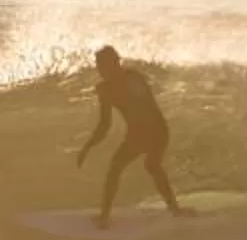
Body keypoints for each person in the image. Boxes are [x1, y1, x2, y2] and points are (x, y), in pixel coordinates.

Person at [73, 45, 188, 229]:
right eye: (99, 67)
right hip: (136, 134)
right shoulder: (104, 90)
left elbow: (149, 109)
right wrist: (87, 147)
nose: (101, 71)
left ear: (116, 63)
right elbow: (105, 125)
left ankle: (175, 209)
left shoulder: (133, 79)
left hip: (156, 129)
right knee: (115, 168)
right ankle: (104, 217)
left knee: (152, 165)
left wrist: (146, 139)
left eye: (104, 66)